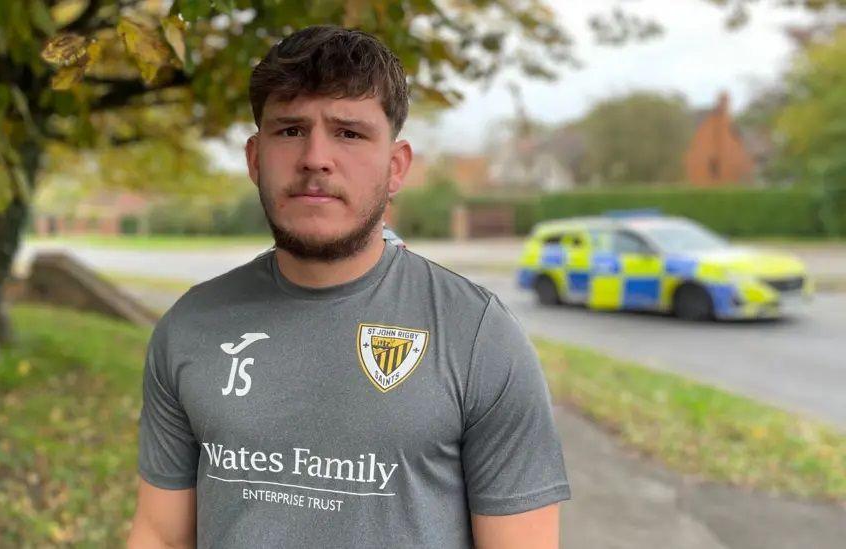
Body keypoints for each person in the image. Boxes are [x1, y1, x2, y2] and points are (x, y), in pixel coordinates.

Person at [127, 24, 571, 548]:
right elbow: (160, 533)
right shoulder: (191, 327)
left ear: (396, 166)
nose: (315, 157)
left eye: (349, 133)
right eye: (290, 130)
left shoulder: (477, 337)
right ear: (254, 158)